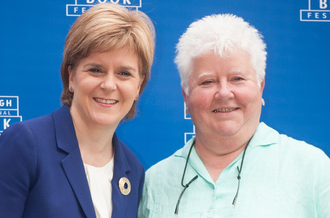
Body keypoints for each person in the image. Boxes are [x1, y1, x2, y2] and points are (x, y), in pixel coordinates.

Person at [138, 14, 330, 218]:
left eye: (237, 79)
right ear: (186, 95)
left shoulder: (312, 168)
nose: (223, 93)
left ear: (260, 86)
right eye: (207, 82)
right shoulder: (154, 182)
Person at [0, 3, 155, 218]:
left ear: (138, 86)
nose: (109, 85)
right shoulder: (25, 145)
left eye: (124, 73)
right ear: (72, 77)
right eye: (95, 70)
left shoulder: (133, 171)